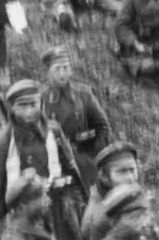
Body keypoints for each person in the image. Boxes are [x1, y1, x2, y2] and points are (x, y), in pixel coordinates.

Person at [0, 78, 88, 240]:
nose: (30, 110)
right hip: (27, 222)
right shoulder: (2, 143)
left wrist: (81, 209)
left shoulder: (53, 132)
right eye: (22, 105)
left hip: (62, 213)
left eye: (33, 104)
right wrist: (0, 239)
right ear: (12, 109)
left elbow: (72, 171)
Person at [38, 46, 112, 181]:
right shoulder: (41, 99)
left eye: (66, 68)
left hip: (85, 158)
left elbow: (103, 127)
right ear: (48, 71)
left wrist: (95, 156)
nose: (62, 74)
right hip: (55, 162)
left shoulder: (84, 94)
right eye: (57, 69)